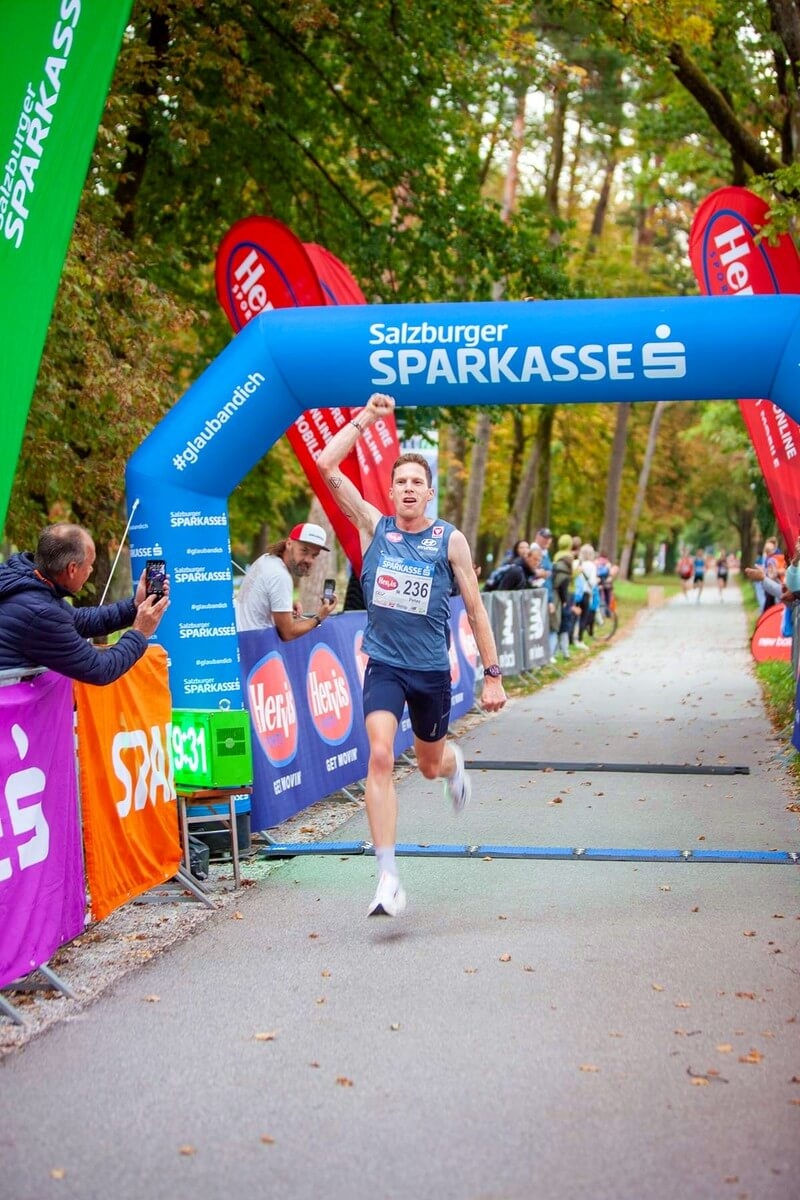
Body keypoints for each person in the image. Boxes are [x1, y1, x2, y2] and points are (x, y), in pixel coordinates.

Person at [317, 392, 506, 918]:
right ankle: (388, 877)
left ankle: (454, 767)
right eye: (399, 482)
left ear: (428, 493)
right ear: (392, 490)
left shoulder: (451, 542)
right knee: (379, 756)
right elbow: (327, 465)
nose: (406, 489)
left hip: (430, 672)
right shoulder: (374, 527)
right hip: (384, 665)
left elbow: (475, 609)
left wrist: (492, 675)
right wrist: (366, 419)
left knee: (428, 765)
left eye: (415, 483)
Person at [0, 522, 168, 685]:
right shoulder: (41, 612)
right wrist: (140, 632)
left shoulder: (24, 579)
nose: (91, 570)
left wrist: (135, 605)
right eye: (90, 565)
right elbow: (100, 668)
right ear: (72, 569)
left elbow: (78, 620)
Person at [235, 522, 337, 636]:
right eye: (304, 550)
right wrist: (320, 617)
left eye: (314, 555)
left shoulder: (267, 559)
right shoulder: (280, 576)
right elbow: (288, 633)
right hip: (255, 646)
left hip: (240, 639)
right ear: (289, 544)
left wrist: (286, 604)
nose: (308, 560)